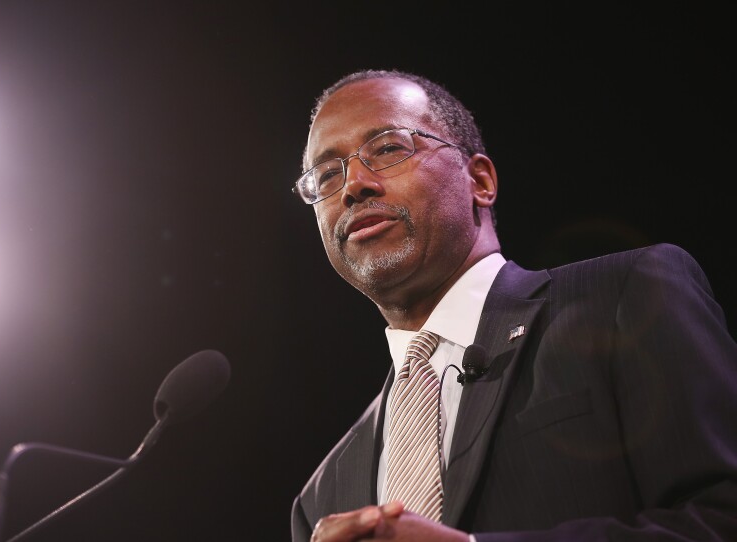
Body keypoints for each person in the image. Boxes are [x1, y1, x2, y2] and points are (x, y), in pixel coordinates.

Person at [289, 69, 737, 542]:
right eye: (327, 174)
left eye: (387, 149)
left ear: (479, 180)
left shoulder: (626, 299)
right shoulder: (322, 498)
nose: (353, 185)